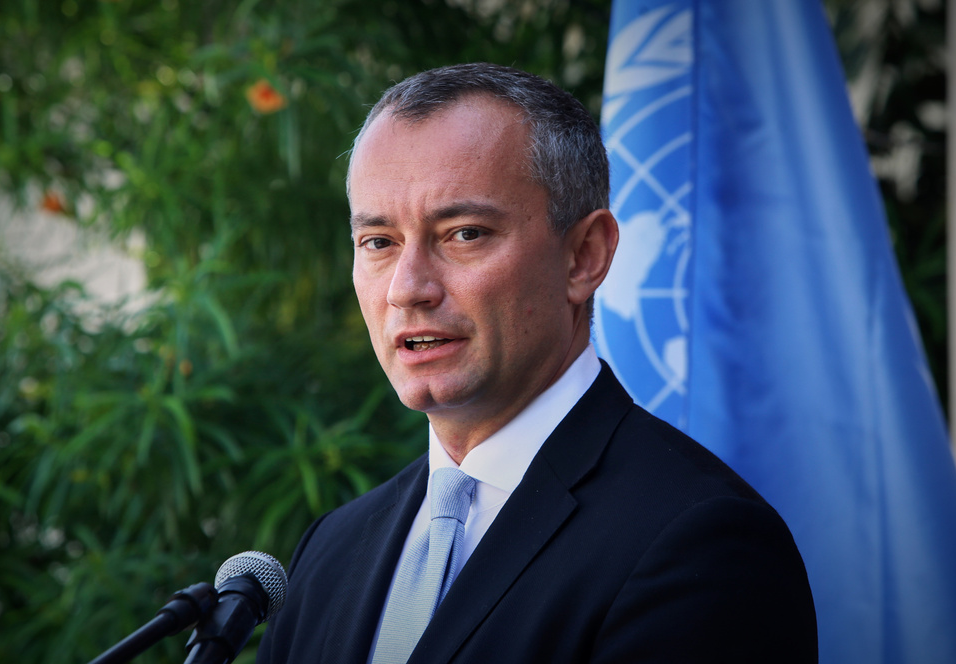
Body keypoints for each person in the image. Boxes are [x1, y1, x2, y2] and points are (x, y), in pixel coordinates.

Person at [257, 63, 817, 664]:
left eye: (464, 234)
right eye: (379, 242)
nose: (407, 288)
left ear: (584, 257)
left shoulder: (701, 542)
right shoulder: (329, 552)